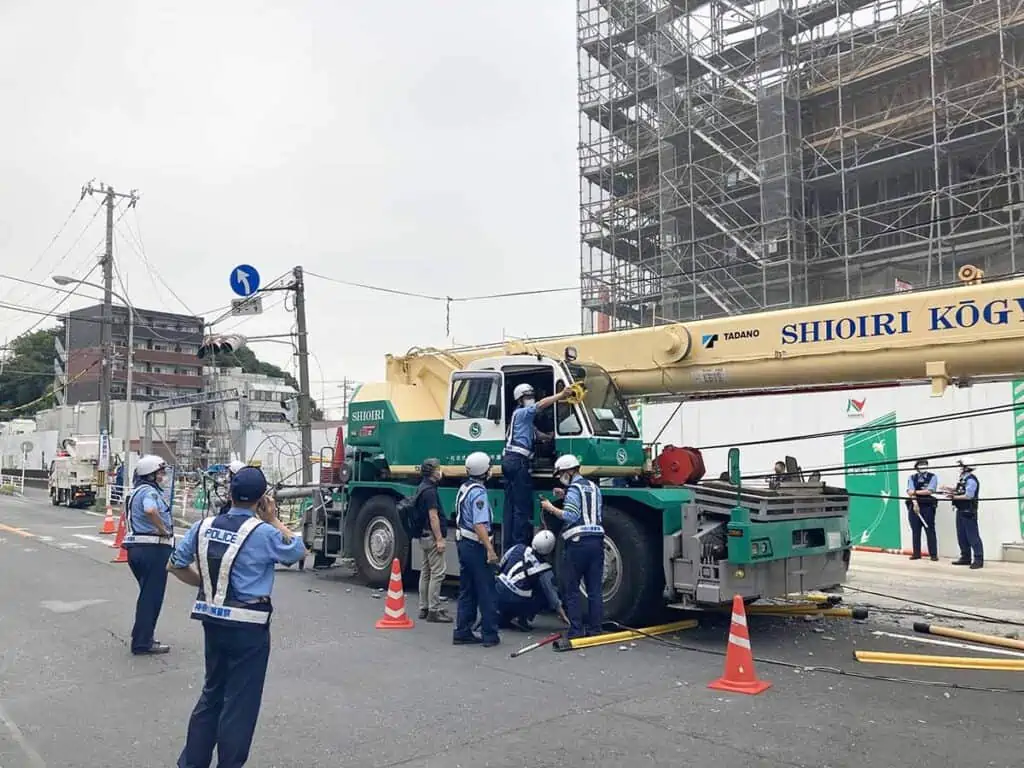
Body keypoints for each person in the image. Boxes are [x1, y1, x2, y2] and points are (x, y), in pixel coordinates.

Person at [167, 467, 307, 767]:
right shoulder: (264, 532)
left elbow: (175, 564)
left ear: (229, 493)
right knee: (240, 703)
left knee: (212, 693)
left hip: (212, 620)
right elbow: (297, 551)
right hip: (249, 625)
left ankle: (192, 762)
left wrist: (206, 584)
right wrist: (273, 519)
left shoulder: (203, 526)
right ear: (262, 499)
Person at [540, 454, 605, 639]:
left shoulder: (574, 489)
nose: (560, 477)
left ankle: (576, 630)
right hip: (597, 541)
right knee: (594, 589)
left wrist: (550, 507)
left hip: (578, 543)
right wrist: (565, 495)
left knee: (572, 588)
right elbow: (588, 508)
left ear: (569, 471)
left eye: (561, 473)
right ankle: (595, 629)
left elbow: (571, 516)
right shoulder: (593, 487)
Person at [501, 383, 571, 548]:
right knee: (522, 508)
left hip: (510, 461)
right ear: (520, 400)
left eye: (532, 396)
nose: (531, 399)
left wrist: (550, 437)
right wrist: (561, 395)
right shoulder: (522, 413)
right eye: (527, 397)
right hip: (518, 462)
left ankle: (509, 546)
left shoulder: (524, 420)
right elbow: (541, 405)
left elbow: (538, 435)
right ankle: (519, 547)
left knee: (511, 507)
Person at [124, 454, 175, 656]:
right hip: (152, 548)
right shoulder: (149, 492)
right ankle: (143, 642)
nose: (163, 476)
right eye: (160, 473)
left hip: (136, 548)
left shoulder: (135, 491)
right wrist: (163, 530)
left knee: (147, 594)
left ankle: (142, 634)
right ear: (150, 475)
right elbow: (150, 510)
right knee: (152, 597)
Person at [453, 451, 500, 647]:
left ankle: (462, 631)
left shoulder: (465, 487)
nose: (491, 470)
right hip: (476, 546)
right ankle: (489, 634)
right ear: (483, 470)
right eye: (489, 467)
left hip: (464, 543)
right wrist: (490, 549)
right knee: (486, 590)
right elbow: (479, 524)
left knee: (468, 590)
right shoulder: (479, 493)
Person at [496, 529, 568, 631]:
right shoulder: (544, 568)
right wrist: (562, 613)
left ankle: (502, 617)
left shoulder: (517, 547)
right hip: (516, 601)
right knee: (543, 595)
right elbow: (551, 595)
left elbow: (502, 563)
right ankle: (521, 618)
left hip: (498, 590)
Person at [415, 458, 451, 623]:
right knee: (437, 573)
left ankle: (423, 607)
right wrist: (440, 539)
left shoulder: (422, 487)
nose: (440, 471)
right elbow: (433, 517)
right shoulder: (430, 491)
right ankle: (433, 610)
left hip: (423, 535)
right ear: (432, 472)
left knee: (426, 572)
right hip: (431, 536)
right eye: (438, 469)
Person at [942, 456, 983, 569]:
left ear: (967, 467)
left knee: (972, 536)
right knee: (961, 536)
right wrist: (948, 489)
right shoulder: (963, 479)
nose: (959, 467)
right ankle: (965, 557)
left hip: (968, 511)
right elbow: (959, 490)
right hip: (960, 510)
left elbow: (968, 496)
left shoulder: (971, 480)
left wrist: (953, 497)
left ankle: (978, 559)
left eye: (961, 465)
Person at [905, 458, 939, 561]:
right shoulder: (912, 477)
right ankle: (916, 554)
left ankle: (933, 554)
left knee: (930, 530)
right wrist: (915, 504)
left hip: (927, 507)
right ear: (916, 467)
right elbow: (910, 492)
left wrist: (915, 492)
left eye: (925, 464)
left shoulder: (932, 477)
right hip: (914, 506)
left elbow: (930, 491)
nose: (923, 466)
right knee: (915, 531)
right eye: (921, 464)